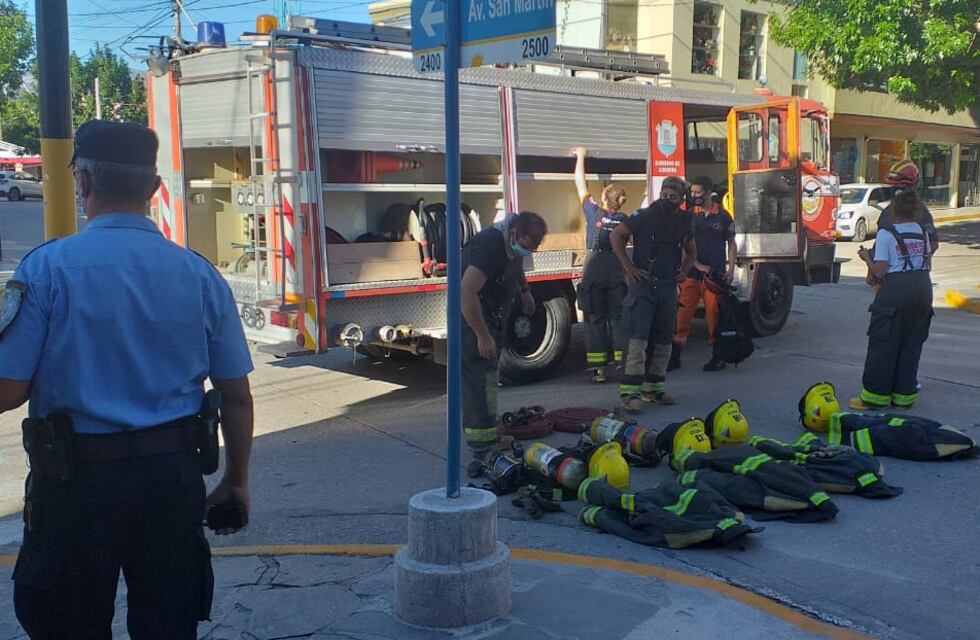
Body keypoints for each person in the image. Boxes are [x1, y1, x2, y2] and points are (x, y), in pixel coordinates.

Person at [0, 120, 255, 639]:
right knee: (168, 621)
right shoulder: (200, 275)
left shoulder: (47, 270)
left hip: (75, 485)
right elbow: (237, 396)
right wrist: (236, 482)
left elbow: (7, 391)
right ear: (155, 189)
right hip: (171, 481)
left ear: (83, 184)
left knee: (68, 622)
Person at [461, 211, 547, 468]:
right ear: (513, 234)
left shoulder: (511, 244)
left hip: (494, 314)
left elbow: (515, 264)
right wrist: (482, 334)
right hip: (475, 318)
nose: (525, 252)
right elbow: (466, 291)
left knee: (489, 377)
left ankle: (488, 433)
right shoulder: (488, 247)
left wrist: (525, 291)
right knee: (480, 380)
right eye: (524, 246)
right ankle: (482, 448)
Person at [610, 176, 696, 412]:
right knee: (637, 340)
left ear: (681, 200)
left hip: (668, 287)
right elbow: (615, 236)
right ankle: (630, 394)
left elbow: (691, 252)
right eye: (664, 194)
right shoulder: (643, 216)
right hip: (643, 286)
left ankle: (654, 389)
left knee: (663, 340)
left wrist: (683, 272)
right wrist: (629, 268)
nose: (666, 200)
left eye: (673, 197)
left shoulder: (684, 222)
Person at [851, 191, 933, 410]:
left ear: (893, 210)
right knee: (911, 344)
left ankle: (874, 397)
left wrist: (867, 258)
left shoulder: (887, 234)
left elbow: (879, 272)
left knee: (883, 343)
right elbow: (927, 264)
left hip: (896, 292)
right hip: (923, 291)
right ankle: (904, 396)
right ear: (915, 211)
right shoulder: (921, 232)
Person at [572, 146, 629, 383]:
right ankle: (623, 363)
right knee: (617, 317)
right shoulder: (626, 220)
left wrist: (581, 156)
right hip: (616, 269)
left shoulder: (593, 212)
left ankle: (598, 370)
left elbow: (580, 184)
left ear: (604, 199)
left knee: (594, 318)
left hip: (594, 269)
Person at [671, 175, 736, 372]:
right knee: (682, 317)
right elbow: (683, 246)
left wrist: (731, 269)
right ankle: (674, 357)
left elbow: (732, 244)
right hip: (692, 274)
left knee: (714, 316)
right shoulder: (690, 217)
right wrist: (697, 265)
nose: (694, 195)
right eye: (692, 192)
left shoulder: (723, 217)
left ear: (709, 193)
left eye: (698, 192)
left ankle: (718, 357)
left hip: (715, 277)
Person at [876, 159, 940, 257]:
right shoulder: (922, 211)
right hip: (918, 270)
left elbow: (879, 254)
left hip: (891, 270)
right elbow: (933, 244)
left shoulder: (887, 212)